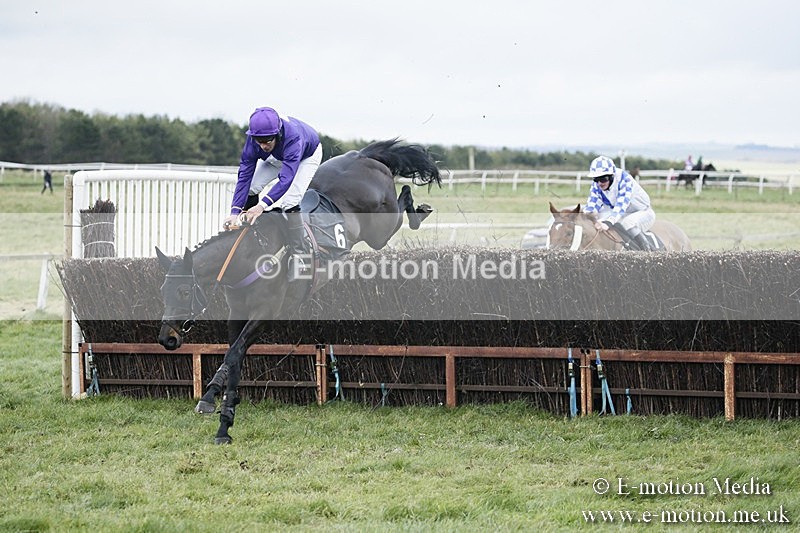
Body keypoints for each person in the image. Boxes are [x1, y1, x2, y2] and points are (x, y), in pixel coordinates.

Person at [224, 107, 323, 280]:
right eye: (258, 141)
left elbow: (286, 179)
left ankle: (300, 256)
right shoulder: (254, 140)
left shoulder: (293, 138)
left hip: (306, 156)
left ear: (277, 134)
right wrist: (234, 212)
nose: (263, 146)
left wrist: (261, 206)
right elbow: (244, 176)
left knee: (290, 202)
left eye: (267, 141)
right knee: (253, 187)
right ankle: (251, 233)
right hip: (279, 156)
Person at [584, 155, 656, 251]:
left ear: (612, 176)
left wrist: (608, 222)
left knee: (628, 223)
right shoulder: (597, 184)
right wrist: (588, 216)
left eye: (603, 179)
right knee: (600, 221)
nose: (599, 183)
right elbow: (592, 204)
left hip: (643, 212)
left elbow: (621, 205)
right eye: (596, 179)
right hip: (621, 213)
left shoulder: (625, 179)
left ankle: (649, 253)